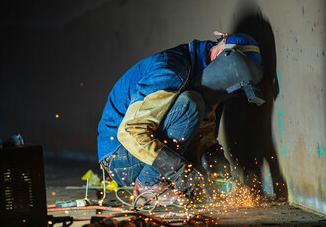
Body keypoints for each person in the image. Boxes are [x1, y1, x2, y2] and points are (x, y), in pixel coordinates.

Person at [97, 31, 263, 204]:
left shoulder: (205, 78)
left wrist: (217, 165)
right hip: (119, 156)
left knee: (201, 176)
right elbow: (130, 133)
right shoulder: (170, 71)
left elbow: (202, 132)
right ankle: (148, 185)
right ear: (220, 54)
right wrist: (180, 172)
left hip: (141, 151)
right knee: (189, 104)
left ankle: (158, 177)